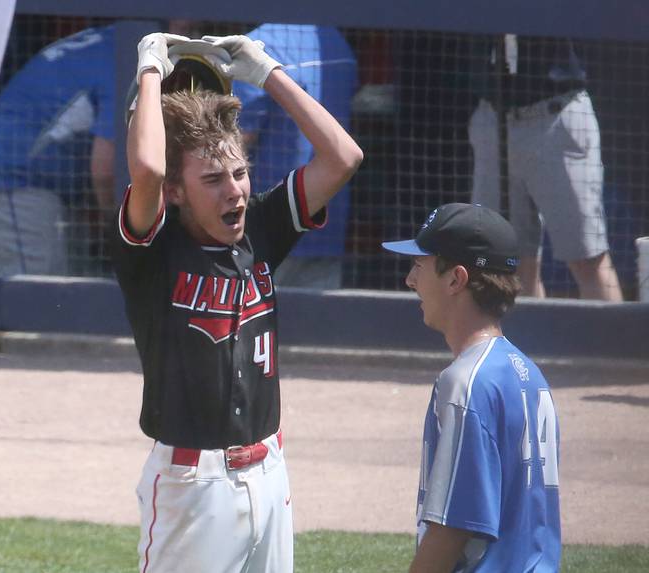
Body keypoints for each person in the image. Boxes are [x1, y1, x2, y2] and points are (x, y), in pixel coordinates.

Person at [111, 32, 362, 572]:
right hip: (192, 486)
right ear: (177, 193)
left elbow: (343, 156)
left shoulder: (262, 231)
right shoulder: (152, 251)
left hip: (270, 472)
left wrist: (267, 70)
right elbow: (150, 170)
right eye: (213, 179)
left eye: (240, 173)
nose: (236, 191)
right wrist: (150, 69)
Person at [382, 203, 561, 572]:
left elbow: (453, 525)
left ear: (455, 279)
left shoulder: (466, 383)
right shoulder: (527, 373)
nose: (410, 280)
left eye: (420, 265)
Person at [468, 35, 623, 300]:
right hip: (492, 119)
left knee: (586, 258)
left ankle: (610, 342)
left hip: (555, 115)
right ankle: (527, 341)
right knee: (506, 263)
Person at [0, 25, 117, 275]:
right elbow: (105, 170)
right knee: (37, 295)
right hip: (8, 183)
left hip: (38, 188)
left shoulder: (109, 39)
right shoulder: (127, 55)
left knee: (68, 290)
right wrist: (117, 225)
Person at [232, 24, 357, 289]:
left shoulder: (254, 48)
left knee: (251, 327)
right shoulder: (335, 40)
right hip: (325, 226)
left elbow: (233, 152)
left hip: (264, 233)